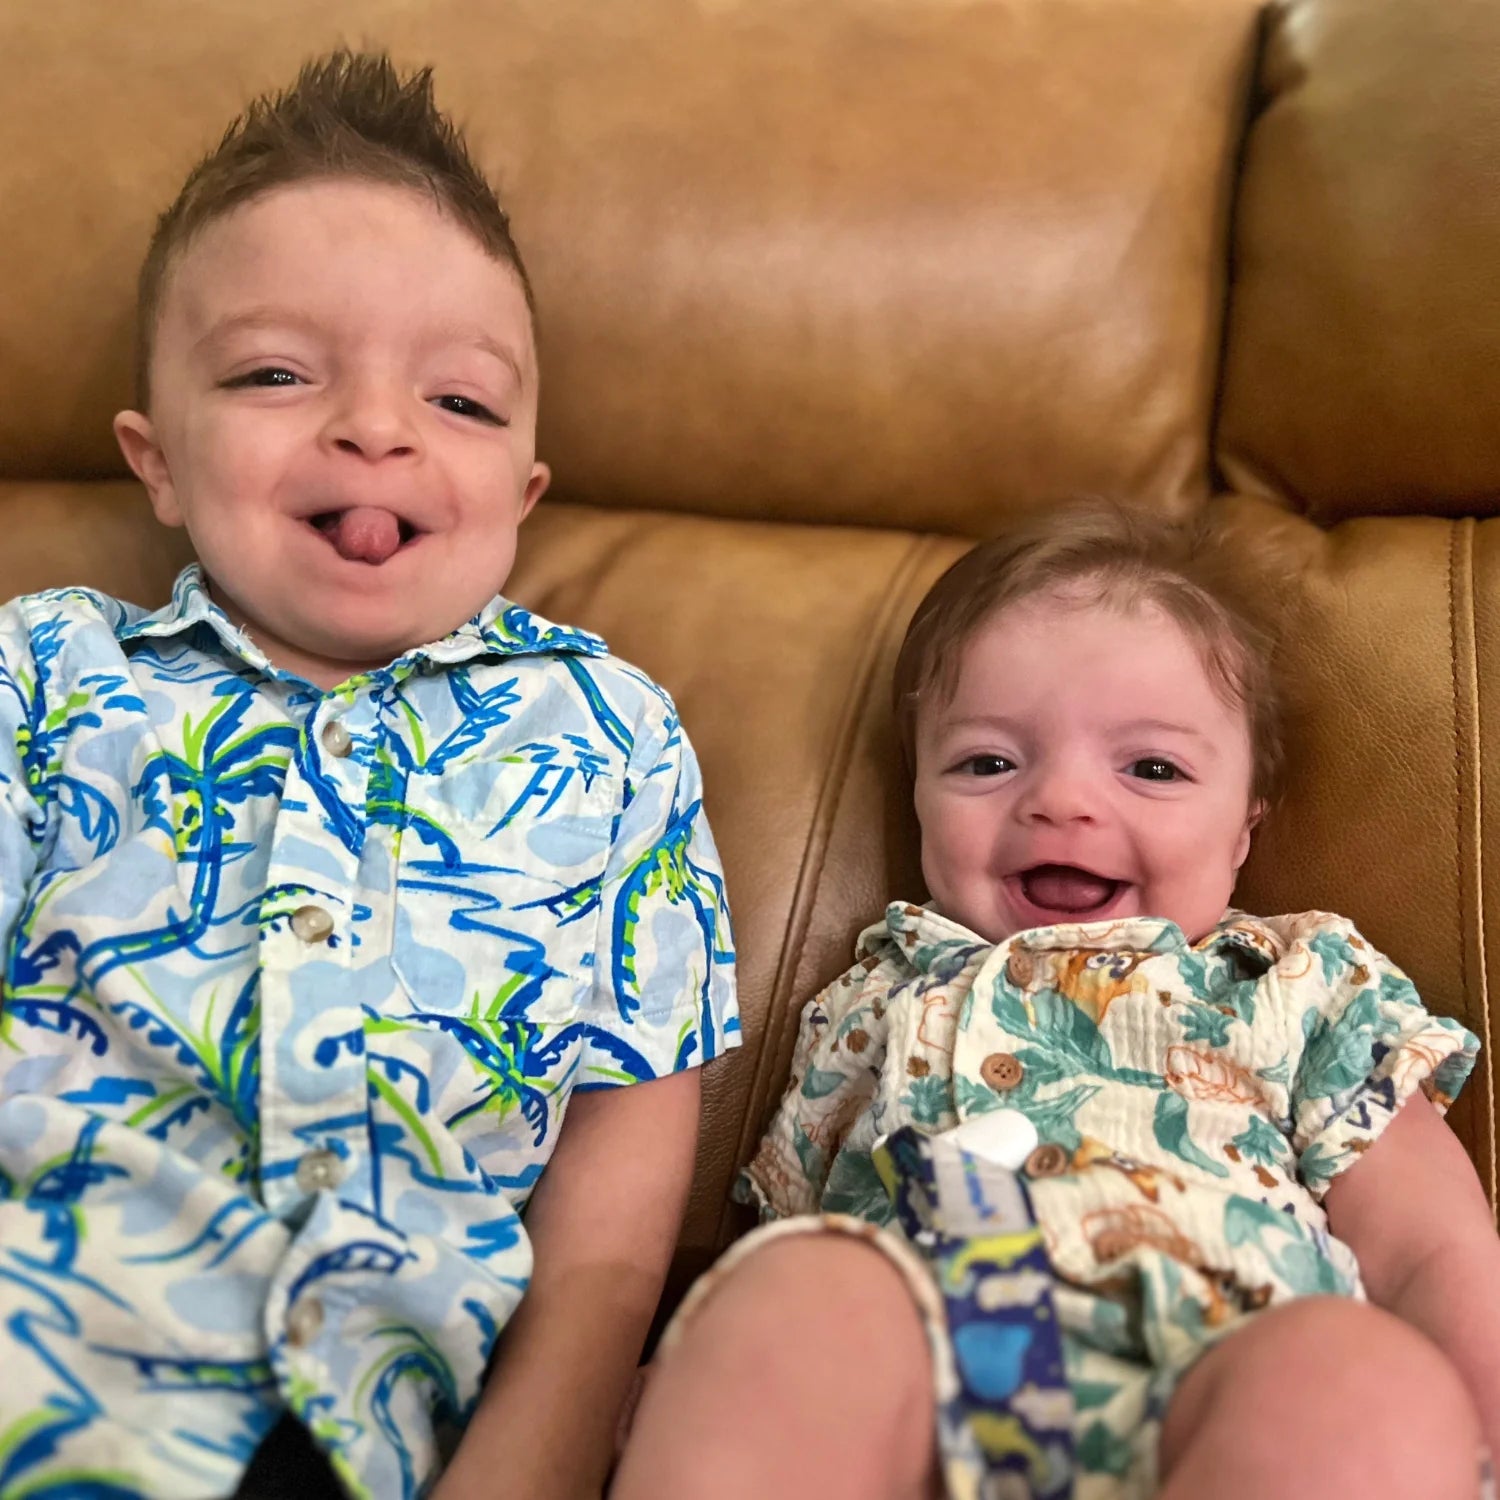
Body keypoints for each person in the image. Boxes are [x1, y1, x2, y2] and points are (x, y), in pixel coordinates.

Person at [0, 50, 737, 1500]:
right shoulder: (46, 676)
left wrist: (532, 1461)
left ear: (525, 490)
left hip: (376, 1431)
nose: (379, 428)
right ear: (155, 463)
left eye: (461, 402)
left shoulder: (612, 735)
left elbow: (615, 1208)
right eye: (278, 373)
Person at [612, 501, 1500, 1500]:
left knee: (1359, 1382)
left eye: (1152, 768)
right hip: (930, 1412)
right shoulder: (879, 988)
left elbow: (1430, 1243)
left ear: (1245, 823)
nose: (1062, 801)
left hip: (1226, 1394)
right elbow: (783, 1221)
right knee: (798, 1296)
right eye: (988, 761)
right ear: (916, 795)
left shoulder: (1294, 978)